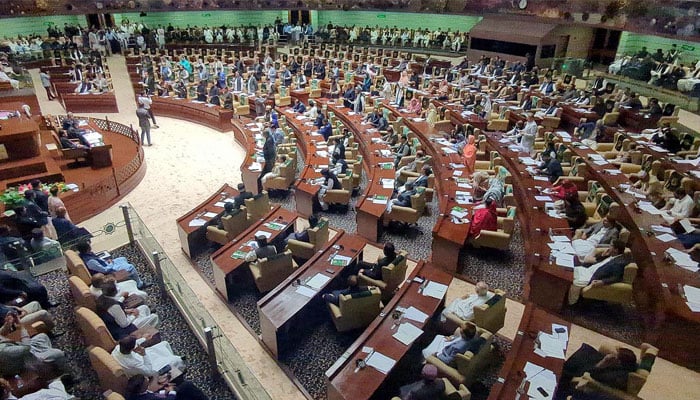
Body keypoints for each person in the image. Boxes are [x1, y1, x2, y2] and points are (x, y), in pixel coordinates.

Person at [555, 344, 639, 399]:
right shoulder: (627, 368)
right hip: (588, 362)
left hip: (580, 371)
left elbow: (591, 375)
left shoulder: (616, 376)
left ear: (619, 362)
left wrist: (603, 363)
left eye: (616, 354)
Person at [0, 312, 68, 376]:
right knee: (59, 353)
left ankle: (50, 361)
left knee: (42, 336)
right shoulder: (4, 350)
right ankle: (63, 374)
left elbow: (1, 334)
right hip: (23, 362)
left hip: (19, 349)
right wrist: (21, 328)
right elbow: (27, 347)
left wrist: (7, 324)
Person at [568, 240, 629, 305]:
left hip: (591, 276)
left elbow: (616, 277)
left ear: (616, 250)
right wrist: (603, 255)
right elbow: (597, 262)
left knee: (575, 282)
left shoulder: (619, 263)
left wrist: (602, 281)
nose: (608, 247)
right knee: (572, 270)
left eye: (611, 246)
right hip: (588, 270)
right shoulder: (612, 255)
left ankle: (572, 302)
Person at [76, 240, 149, 289]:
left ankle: (130, 277)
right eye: (89, 245)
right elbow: (104, 270)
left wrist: (107, 261)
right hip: (108, 271)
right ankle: (140, 284)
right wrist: (110, 263)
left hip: (105, 264)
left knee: (122, 258)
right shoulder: (90, 262)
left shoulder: (85, 254)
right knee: (131, 267)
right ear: (87, 248)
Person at [112, 335, 185, 378]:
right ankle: (179, 366)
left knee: (164, 344)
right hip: (150, 367)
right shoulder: (134, 364)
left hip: (140, 358)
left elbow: (134, 344)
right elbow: (150, 373)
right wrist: (144, 355)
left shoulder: (117, 348)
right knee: (176, 359)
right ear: (132, 349)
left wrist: (144, 339)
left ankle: (170, 356)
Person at [124, 374, 209, 400]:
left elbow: (154, 395)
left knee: (183, 387)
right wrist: (171, 391)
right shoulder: (149, 398)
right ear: (142, 387)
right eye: (145, 380)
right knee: (187, 386)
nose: (147, 378)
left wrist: (164, 392)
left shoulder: (132, 395)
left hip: (162, 397)